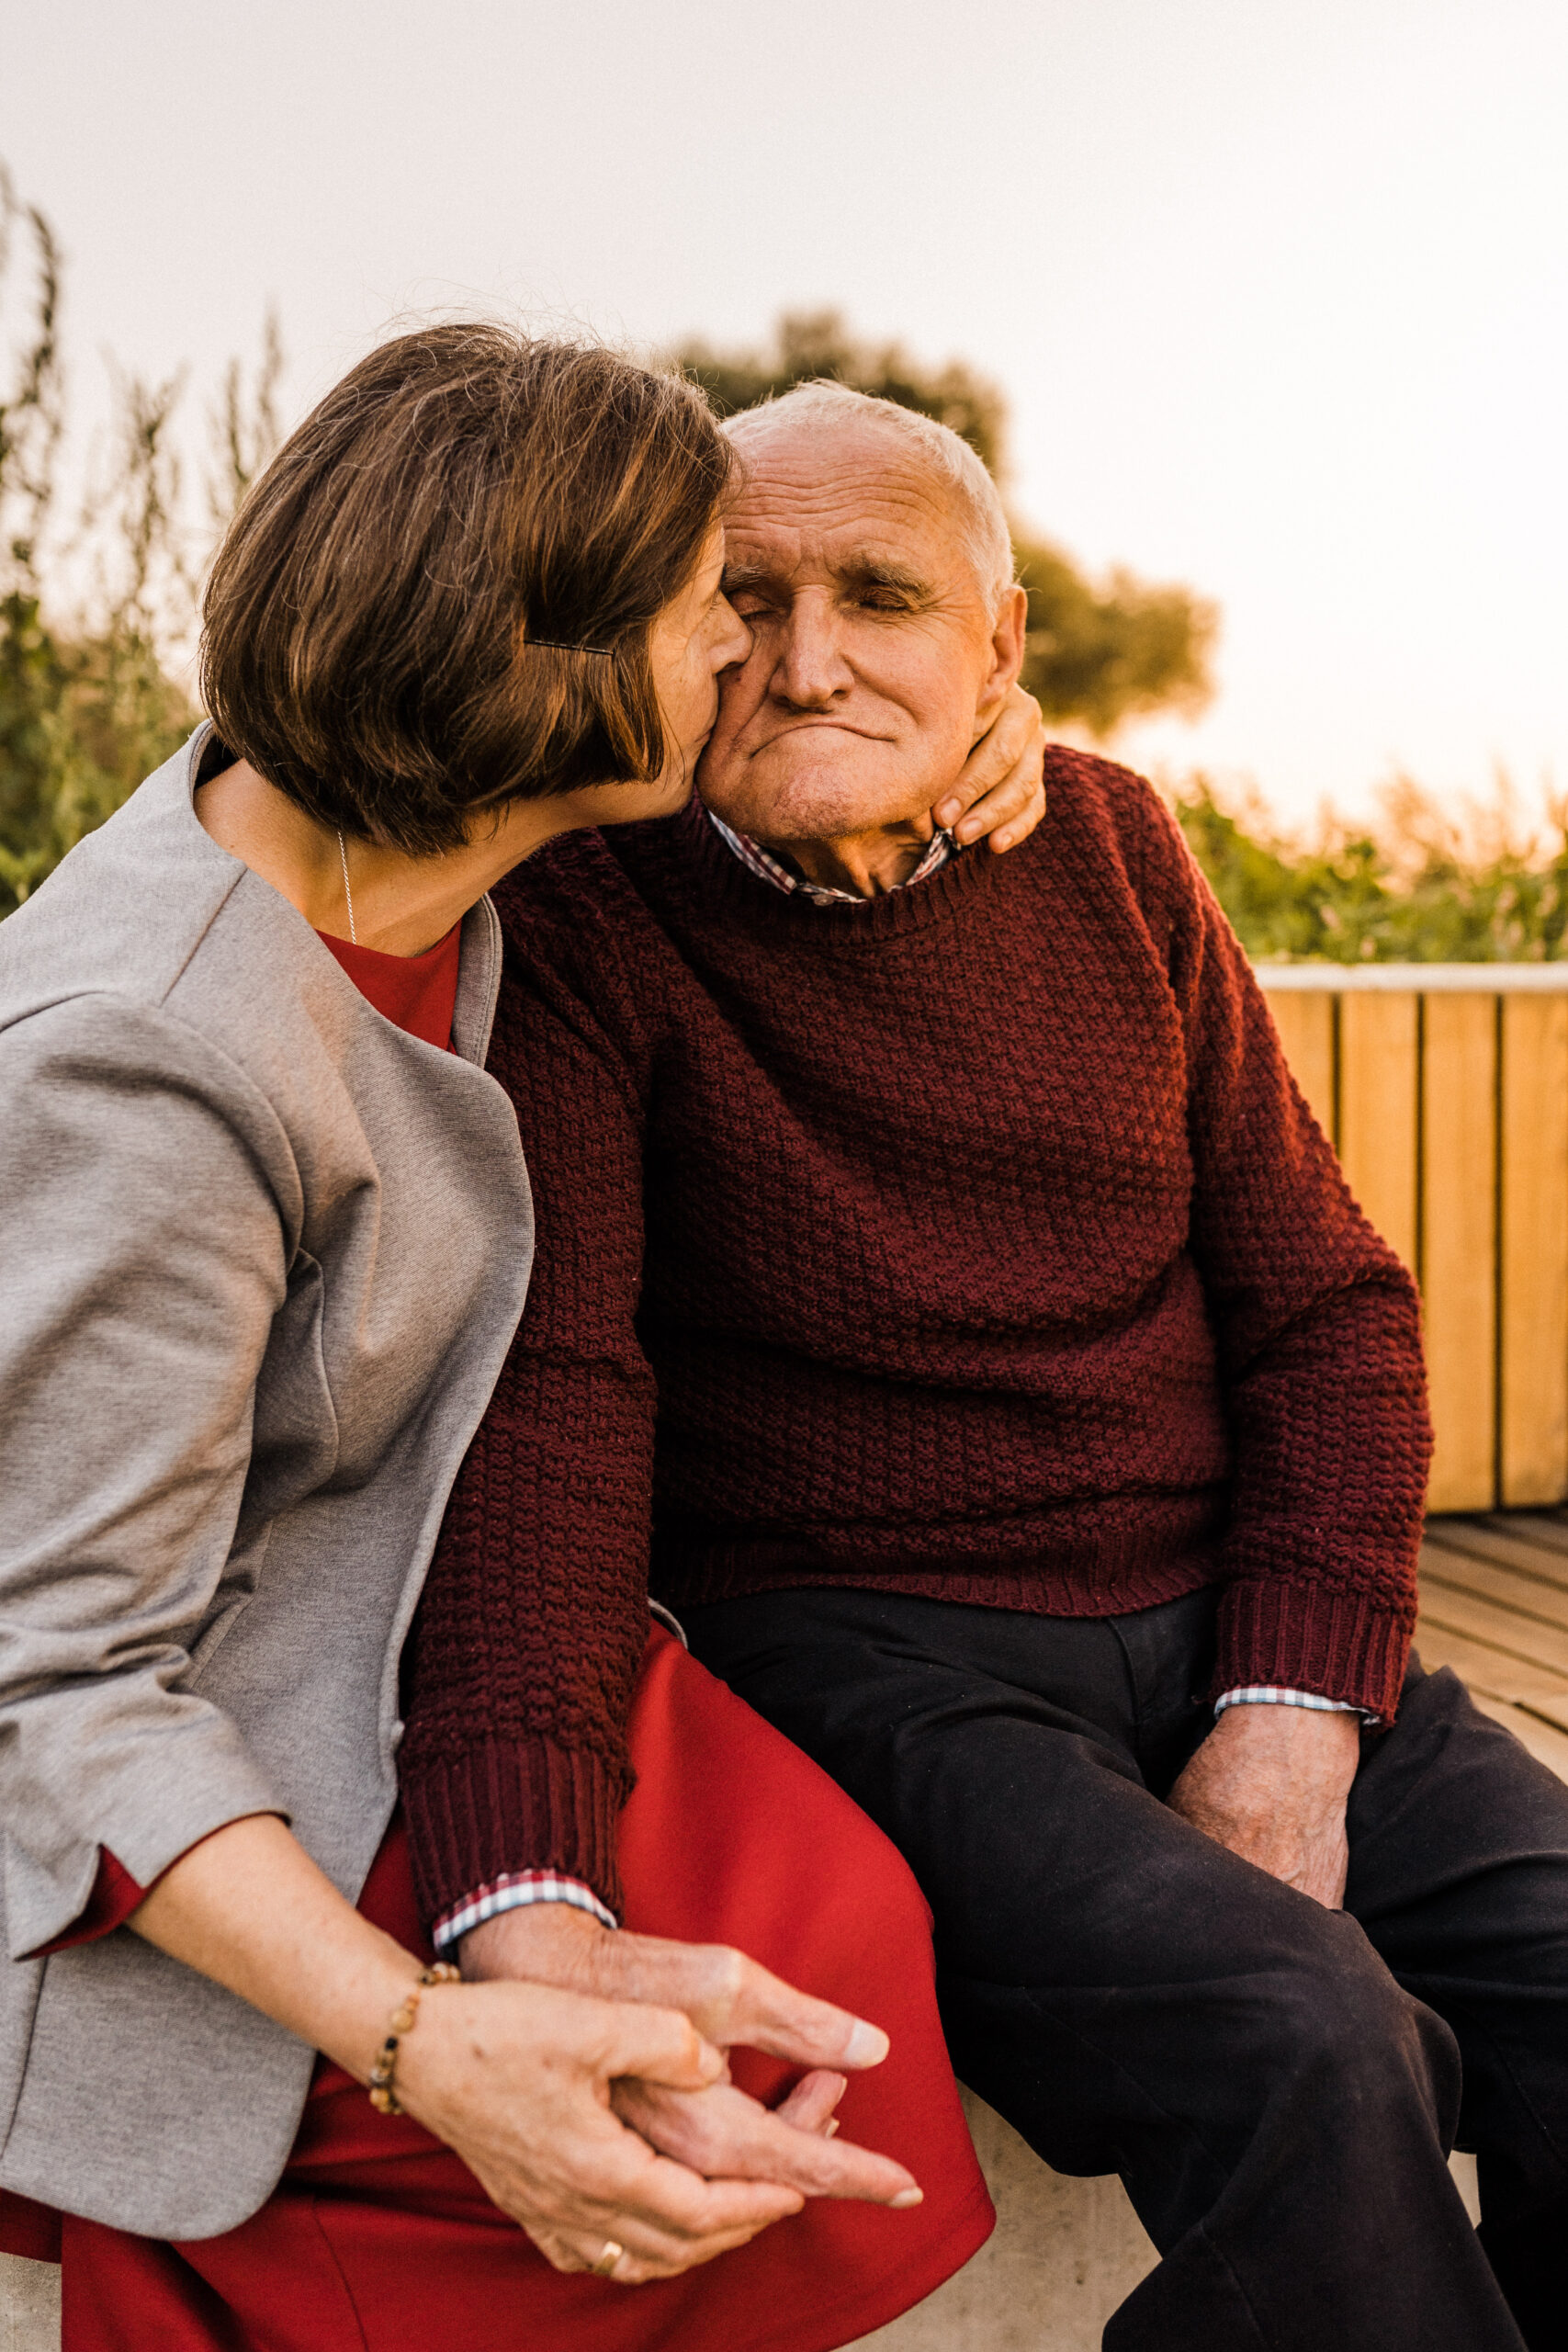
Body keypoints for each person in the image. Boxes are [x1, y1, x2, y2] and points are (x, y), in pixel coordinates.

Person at [401, 379, 1568, 2352]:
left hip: (1222, 1610)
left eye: (879, 594)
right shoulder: (580, 912)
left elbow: (1326, 1308)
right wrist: (522, 1873)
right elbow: (554, 1413)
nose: (806, 657)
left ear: (998, 643)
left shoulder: (1108, 838)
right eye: (742, 599)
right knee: (1308, 2036)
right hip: (880, 1655)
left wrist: (1289, 1710)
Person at [0, 335, 1048, 2348]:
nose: (756, 667)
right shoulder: (140, 1062)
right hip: (186, 1734)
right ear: (546, 664)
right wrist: (419, 2033)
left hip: (412, 1605)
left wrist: (988, 729)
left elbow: (841, 752)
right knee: (683, 2095)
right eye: (708, 614)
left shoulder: (455, 842)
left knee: (846, 1971)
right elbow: (53, 1678)